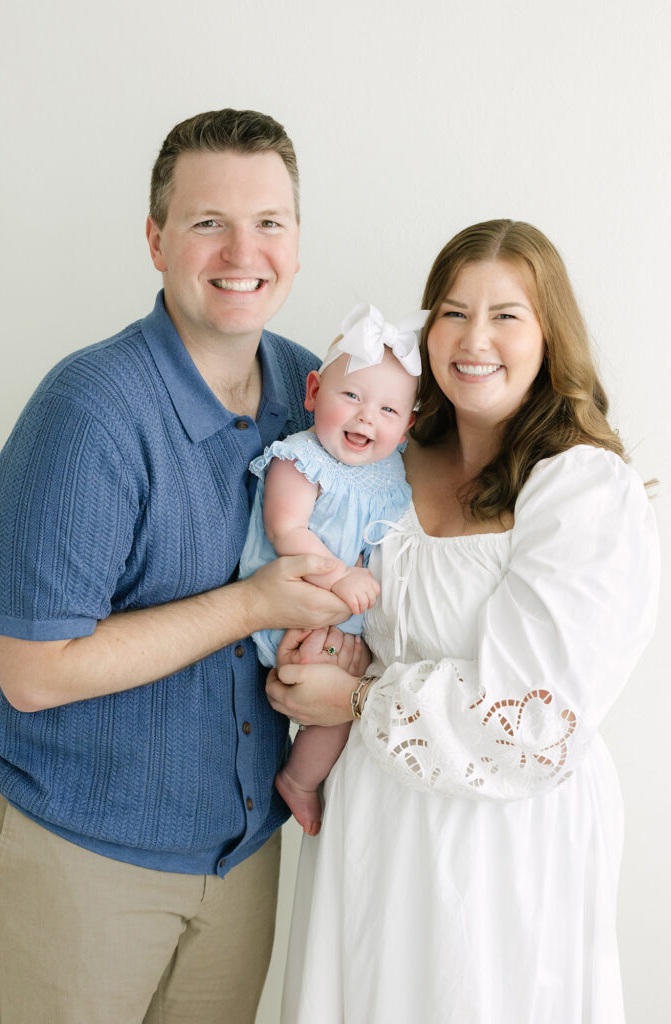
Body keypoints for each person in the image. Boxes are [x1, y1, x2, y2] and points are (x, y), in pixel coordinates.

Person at [0, 109, 356, 1024]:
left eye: (269, 222)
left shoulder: (316, 396)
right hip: (83, 861)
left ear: (298, 242)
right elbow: (31, 673)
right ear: (156, 241)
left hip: (241, 861)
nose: (243, 250)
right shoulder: (90, 412)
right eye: (207, 223)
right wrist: (249, 606)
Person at [266, 219, 660, 1024]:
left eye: (506, 315)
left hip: (505, 846)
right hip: (372, 824)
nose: (474, 338)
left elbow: (536, 720)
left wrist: (353, 703)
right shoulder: (382, 460)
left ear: (550, 336)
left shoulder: (581, 487)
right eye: (452, 311)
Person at [239, 303, 425, 834]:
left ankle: (303, 776)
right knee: (343, 700)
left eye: (390, 411)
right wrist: (341, 578)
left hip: (342, 620)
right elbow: (286, 531)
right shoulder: (301, 460)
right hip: (291, 607)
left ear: (408, 426)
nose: (368, 416)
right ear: (313, 392)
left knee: (353, 698)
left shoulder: (392, 475)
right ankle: (298, 780)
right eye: (352, 396)